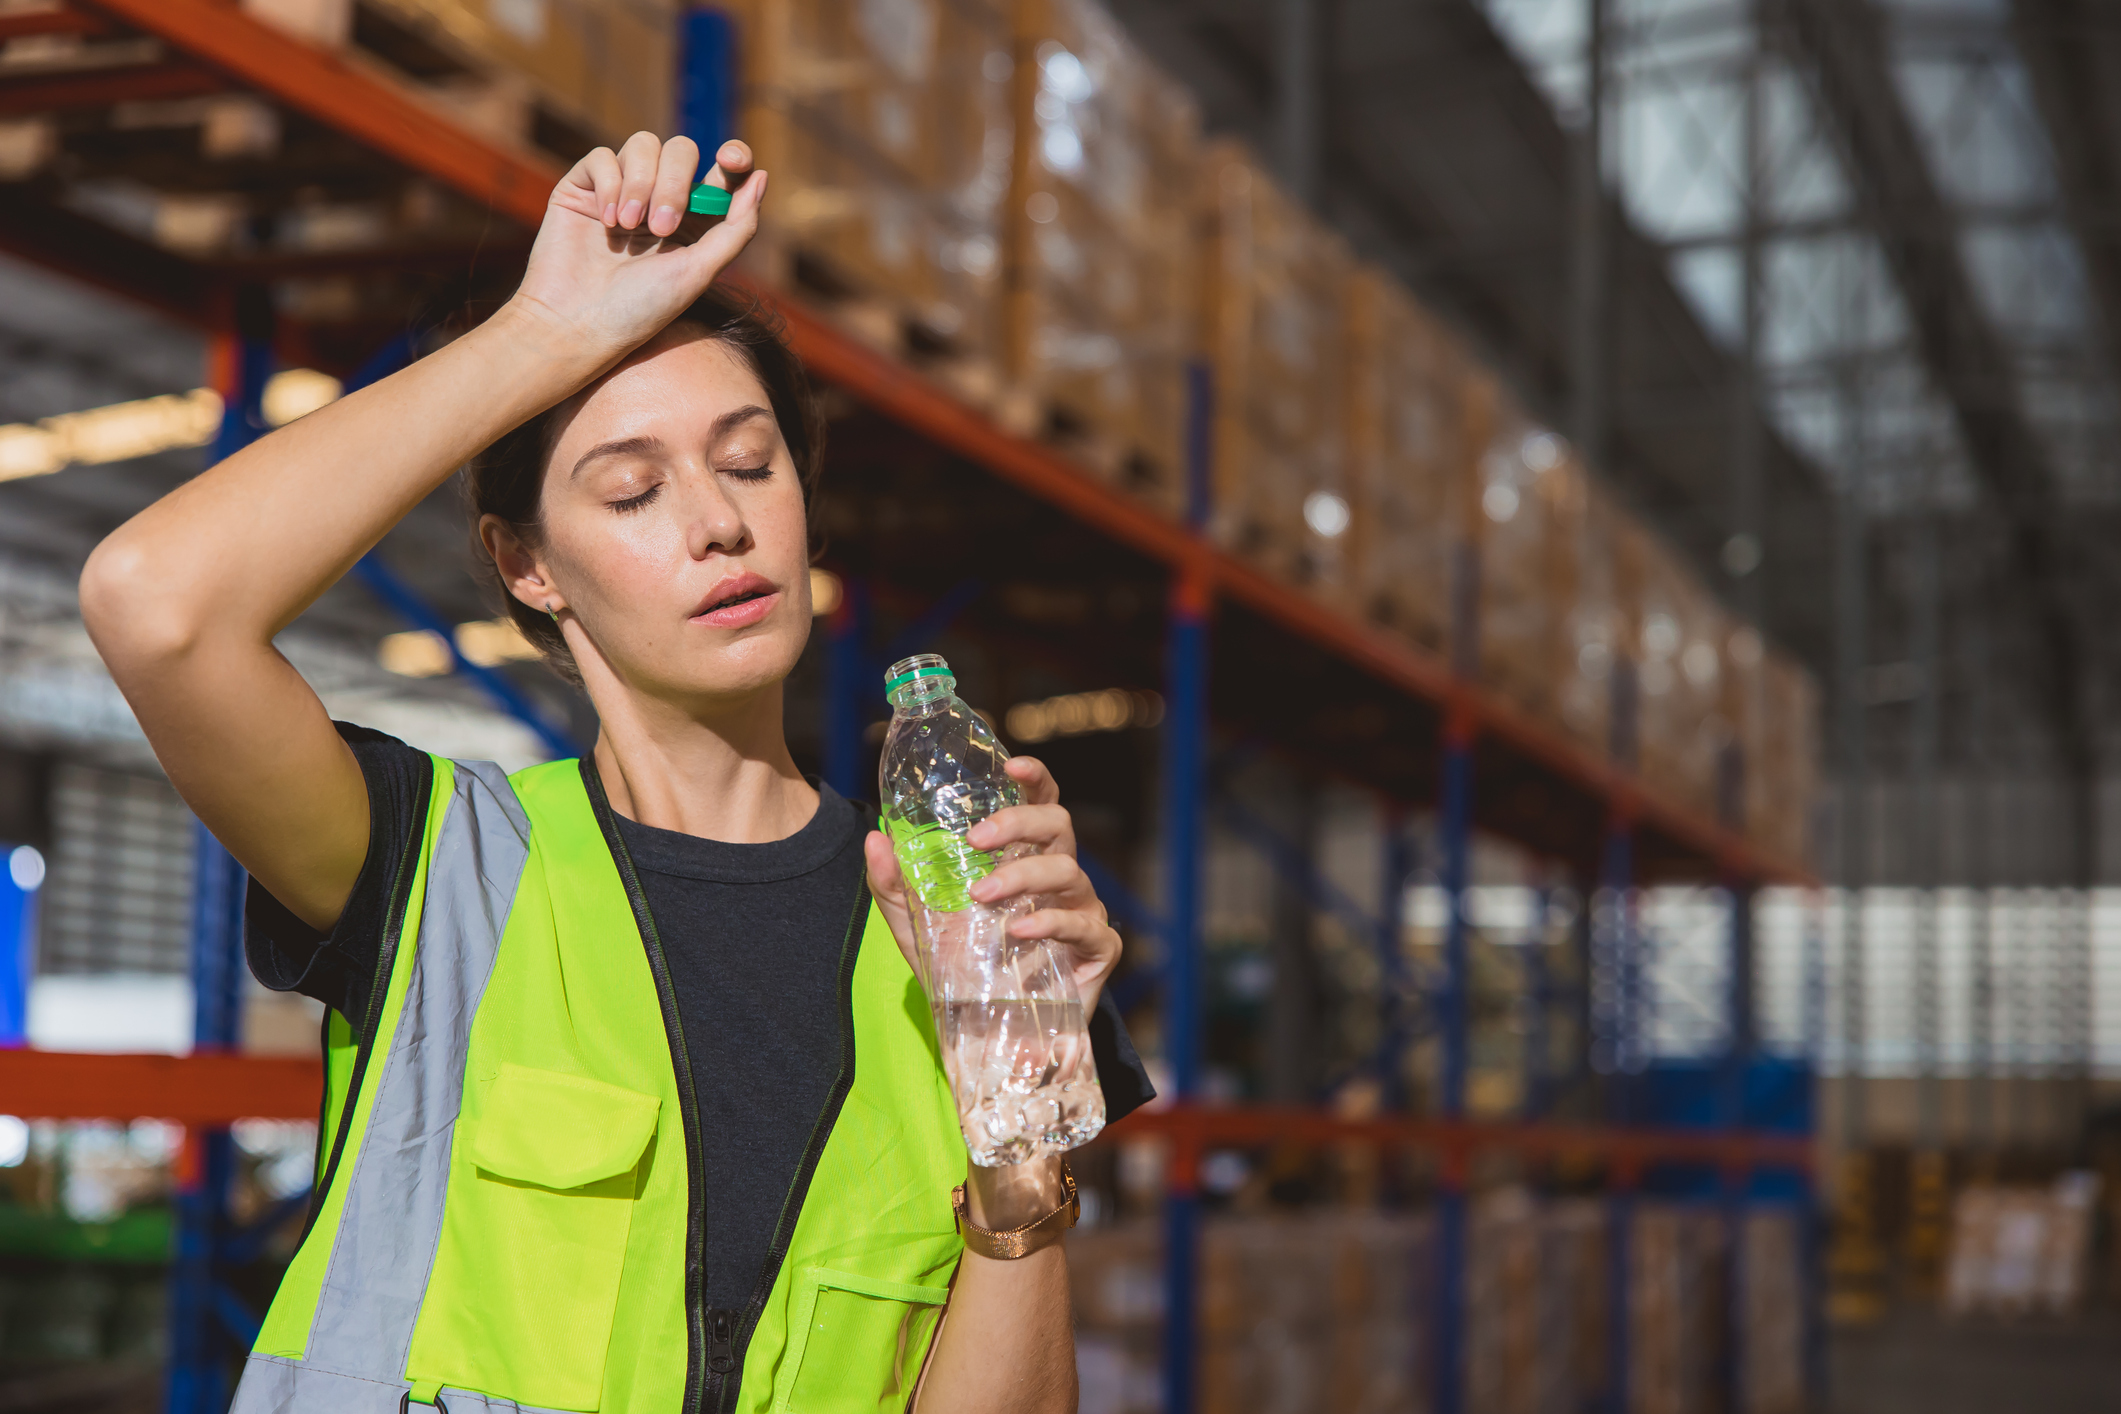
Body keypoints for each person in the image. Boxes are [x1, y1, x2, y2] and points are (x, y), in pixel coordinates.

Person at [82, 133, 1151, 1414]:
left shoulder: (953, 928)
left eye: (752, 463)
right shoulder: (433, 866)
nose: (720, 520)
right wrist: (547, 327)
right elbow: (158, 608)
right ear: (526, 563)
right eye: (633, 489)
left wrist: (1014, 1112)